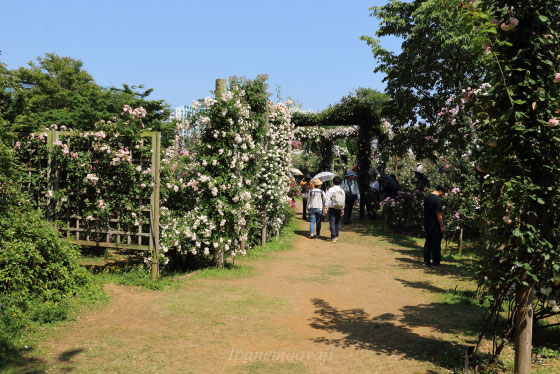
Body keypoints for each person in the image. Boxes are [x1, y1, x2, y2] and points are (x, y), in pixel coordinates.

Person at [423, 185, 448, 266]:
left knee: (428, 242)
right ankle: (436, 262)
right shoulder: (437, 199)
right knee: (436, 244)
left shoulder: (427, 197)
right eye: (443, 193)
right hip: (435, 224)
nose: (443, 195)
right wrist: (441, 226)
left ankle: (426, 261)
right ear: (440, 190)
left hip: (427, 223)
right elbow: (439, 214)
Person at [324, 176, 345, 242]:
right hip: (339, 208)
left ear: (333, 182)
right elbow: (343, 200)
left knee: (332, 222)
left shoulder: (331, 189)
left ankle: (333, 236)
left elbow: (327, 199)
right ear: (340, 182)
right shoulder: (342, 190)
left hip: (332, 208)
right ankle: (336, 235)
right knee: (337, 222)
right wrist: (342, 209)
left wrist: (326, 208)